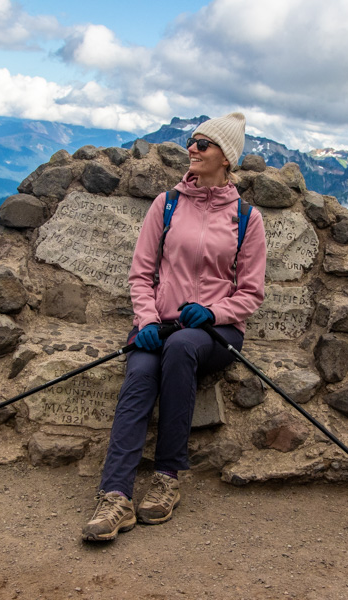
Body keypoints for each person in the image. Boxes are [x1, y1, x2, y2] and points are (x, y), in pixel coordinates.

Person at [82, 112, 267, 542]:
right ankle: (115, 496)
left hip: (216, 334)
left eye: (204, 144)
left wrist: (215, 312)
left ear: (226, 158)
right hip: (157, 326)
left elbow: (252, 293)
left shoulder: (246, 218)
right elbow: (140, 274)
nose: (193, 149)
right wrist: (146, 320)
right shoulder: (166, 205)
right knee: (142, 372)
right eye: (192, 141)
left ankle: (167, 476)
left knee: (184, 344)